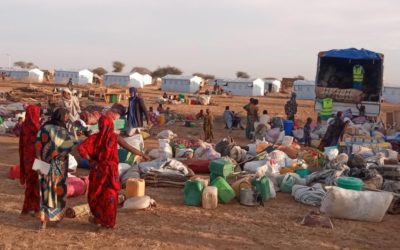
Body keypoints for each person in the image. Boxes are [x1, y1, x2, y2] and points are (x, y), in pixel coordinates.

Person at [36, 108, 76, 230]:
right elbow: (69, 147)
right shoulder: (63, 130)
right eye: (66, 116)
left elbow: (37, 146)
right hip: (59, 165)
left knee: (45, 190)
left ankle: (43, 221)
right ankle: (57, 218)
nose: (67, 118)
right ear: (62, 116)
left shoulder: (43, 128)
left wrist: (39, 160)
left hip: (43, 163)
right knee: (58, 189)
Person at [77, 116, 120, 228]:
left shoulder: (95, 138)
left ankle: (99, 218)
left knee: (97, 194)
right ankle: (109, 221)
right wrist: (142, 155)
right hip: (111, 171)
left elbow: (81, 147)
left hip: (98, 170)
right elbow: (129, 147)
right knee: (111, 195)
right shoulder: (115, 137)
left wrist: (90, 160)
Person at [19, 105, 41, 217]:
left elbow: (21, 144)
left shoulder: (24, 126)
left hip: (27, 159)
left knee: (30, 183)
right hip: (38, 159)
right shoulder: (38, 127)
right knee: (37, 183)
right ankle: (36, 208)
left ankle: (28, 208)